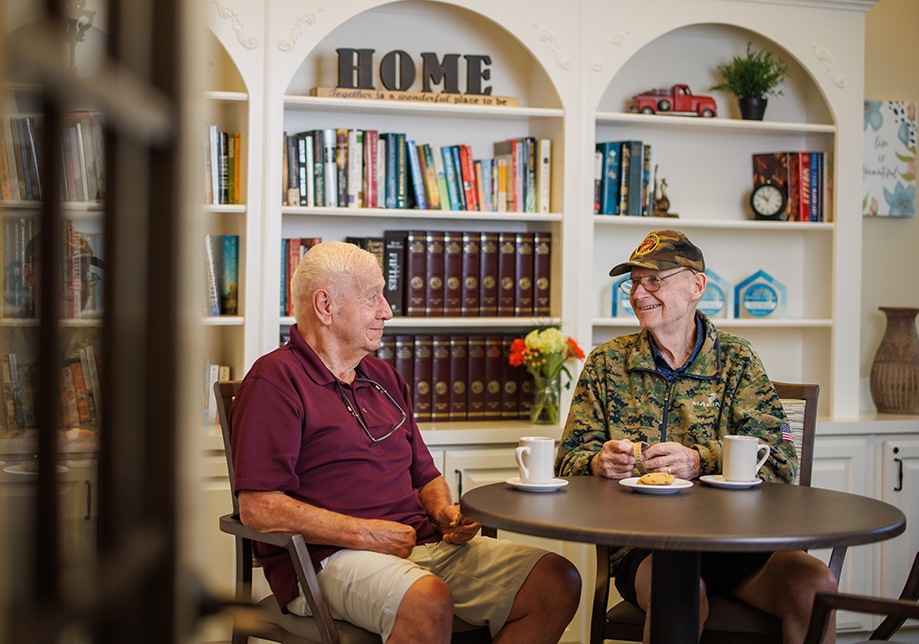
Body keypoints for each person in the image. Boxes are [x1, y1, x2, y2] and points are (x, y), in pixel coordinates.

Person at [229, 240, 580, 643]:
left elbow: (425, 475)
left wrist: (443, 512)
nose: (387, 311)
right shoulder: (275, 380)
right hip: (327, 559)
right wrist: (364, 533)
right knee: (427, 600)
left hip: (420, 543)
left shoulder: (383, 377)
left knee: (555, 581)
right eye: (372, 297)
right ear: (325, 306)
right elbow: (258, 507)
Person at [555, 229, 837, 644]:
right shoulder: (606, 364)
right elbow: (566, 462)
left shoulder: (737, 361)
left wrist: (699, 461)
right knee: (681, 592)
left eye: (654, 280)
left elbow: (781, 462)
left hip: (740, 544)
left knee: (816, 584)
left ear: (696, 285)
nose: (638, 293)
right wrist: (597, 462)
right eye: (633, 282)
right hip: (646, 548)